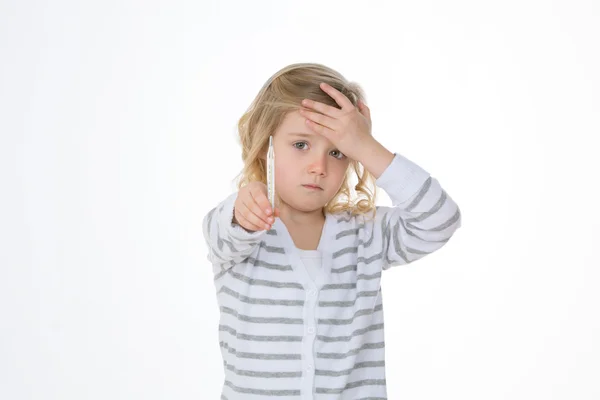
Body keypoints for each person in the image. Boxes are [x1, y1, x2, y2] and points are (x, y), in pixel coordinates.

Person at [202, 62, 462, 399]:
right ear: (265, 148)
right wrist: (242, 209)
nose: (318, 167)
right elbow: (227, 229)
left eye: (337, 151)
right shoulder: (240, 228)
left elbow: (440, 219)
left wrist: (366, 145)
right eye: (300, 145)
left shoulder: (365, 234)